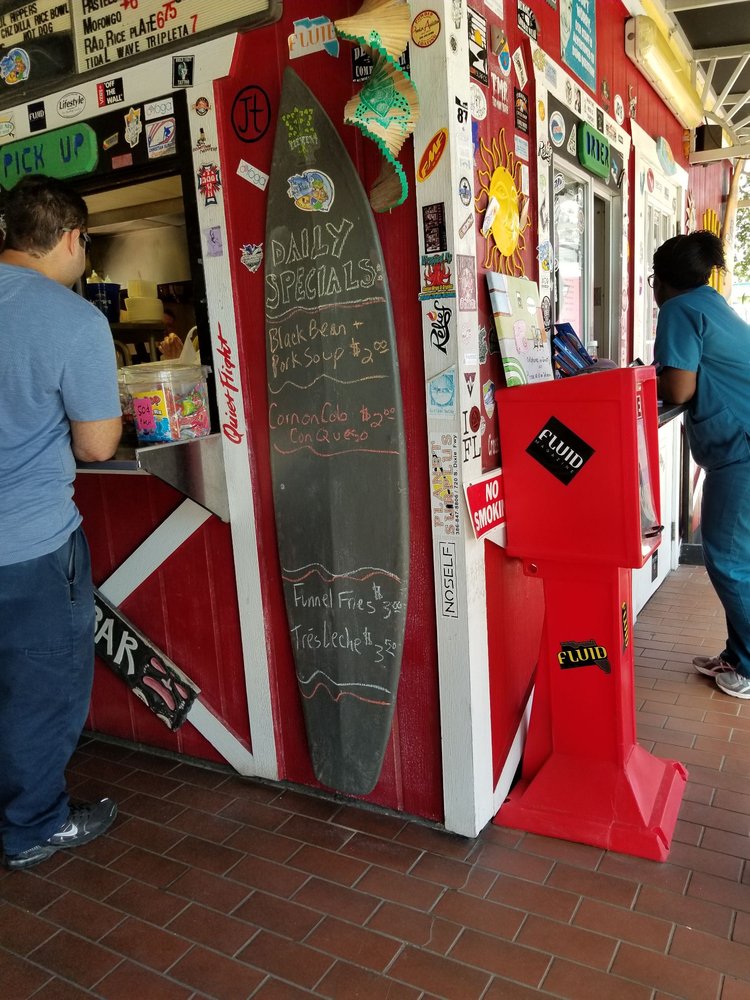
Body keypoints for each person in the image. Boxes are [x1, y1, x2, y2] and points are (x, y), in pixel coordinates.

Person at [0, 176, 122, 869]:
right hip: (30, 545)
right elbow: (98, 445)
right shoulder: (73, 320)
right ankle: (33, 827)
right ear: (73, 239)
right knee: (40, 692)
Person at [652, 230, 750, 700]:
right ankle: (737, 655)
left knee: (728, 560)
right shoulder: (710, 303)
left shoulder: (679, 308)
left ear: (660, 280)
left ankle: (748, 666)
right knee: (736, 559)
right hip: (739, 447)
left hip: (742, 451)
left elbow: (679, 389)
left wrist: (642, 377)